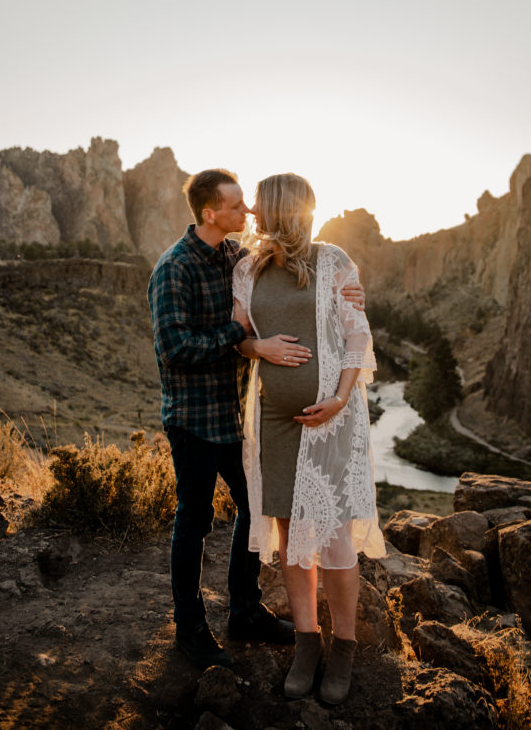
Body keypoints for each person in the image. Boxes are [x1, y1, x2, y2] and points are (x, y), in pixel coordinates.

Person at [147, 169, 365, 671]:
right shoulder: (174, 268)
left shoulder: (238, 257)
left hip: (238, 420)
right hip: (195, 417)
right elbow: (174, 348)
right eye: (237, 204)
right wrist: (238, 335)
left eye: (250, 203)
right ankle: (190, 627)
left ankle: (244, 611)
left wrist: (352, 296)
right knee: (194, 520)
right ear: (210, 212)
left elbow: (304, 288)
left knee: (255, 511)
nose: (247, 212)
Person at [233, 173, 385, 705]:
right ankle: (306, 642)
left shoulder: (334, 261)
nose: (251, 210)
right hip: (274, 421)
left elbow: (357, 335)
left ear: (280, 210)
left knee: (335, 537)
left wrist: (341, 400)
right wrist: (262, 349)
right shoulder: (247, 268)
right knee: (290, 536)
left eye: (259, 203)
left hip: (332, 418)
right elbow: (240, 336)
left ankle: (343, 647)